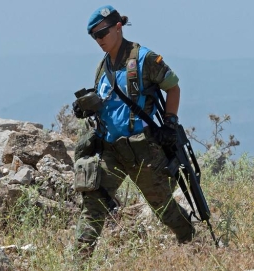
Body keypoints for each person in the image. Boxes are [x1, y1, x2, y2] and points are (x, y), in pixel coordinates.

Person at [72, 5, 195, 259]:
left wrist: (170, 123)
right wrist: (86, 107)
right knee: (94, 205)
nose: (99, 41)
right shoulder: (103, 65)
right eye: (94, 36)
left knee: (162, 207)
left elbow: (173, 87)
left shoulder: (145, 58)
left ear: (118, 27)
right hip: (110, 150)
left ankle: (191, 240)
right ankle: (78, 262)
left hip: (142, 152)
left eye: (102, 33)